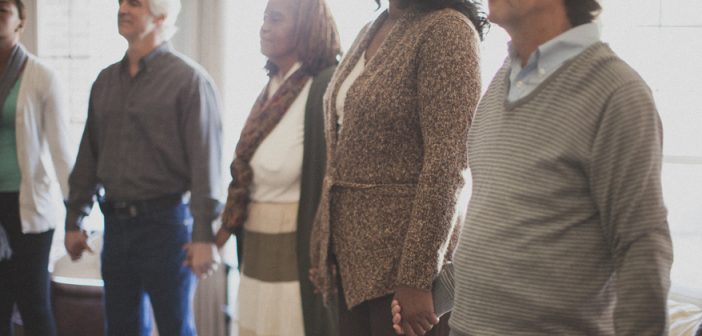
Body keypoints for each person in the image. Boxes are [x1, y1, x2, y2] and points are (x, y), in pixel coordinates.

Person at [390, 0, 673, 335]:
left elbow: (641, 247)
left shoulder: (616, 92)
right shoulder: (500, 85)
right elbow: (498, 229)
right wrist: (434, 296)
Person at [308, 0, 487, 335]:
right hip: (354, 266)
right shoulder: (373, 26)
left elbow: (448, 164)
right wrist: (323, 241)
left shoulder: (447, 29)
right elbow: (342, 151)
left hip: (404, 269)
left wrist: (417, 276)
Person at [63, 0, 223, 334]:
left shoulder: (189, 81)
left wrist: (204, 235)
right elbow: (89, 156)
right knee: (121, 328)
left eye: (134, 3)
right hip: (115, 227)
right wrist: (74, 218)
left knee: (174, 327)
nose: (122, 9)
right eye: (121, 2)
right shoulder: (105, 81)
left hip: (166, 227)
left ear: (161, 17)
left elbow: (205, 162)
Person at [214, 0, 341, 334]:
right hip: (255, 245)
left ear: (305, 27)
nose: (264, 27)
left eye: (276, 19)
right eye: (264, 18)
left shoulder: (323, 86)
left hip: (295, 252)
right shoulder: (273, 88)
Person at [0, 1, 73, 335]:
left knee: (33, 304)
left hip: (29, 208)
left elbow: (61, 152)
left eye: (3, 10)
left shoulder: (41, 75)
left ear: (20, 22)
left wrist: (76, 212)